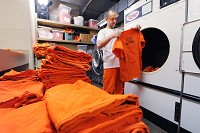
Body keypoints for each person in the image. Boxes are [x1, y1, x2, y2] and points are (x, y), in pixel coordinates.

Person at [97, 9, 141, 94]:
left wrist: (135, 29)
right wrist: (111, 36)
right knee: (108, 90)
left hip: (121, 65)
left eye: (115, 19)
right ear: (106, 19)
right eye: (112, 19)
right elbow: (99, 44)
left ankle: (118, 106)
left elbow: (128, 34)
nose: (114, 21)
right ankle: (107, 107)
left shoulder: (118, 31)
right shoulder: (102, 32)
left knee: (119, 90)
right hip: (109, 65)